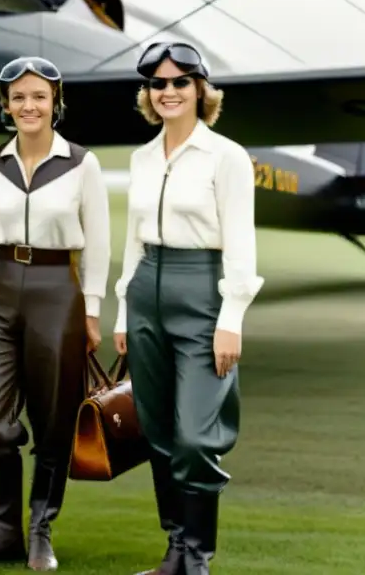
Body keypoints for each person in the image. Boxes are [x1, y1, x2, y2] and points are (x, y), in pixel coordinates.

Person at [0, 56, 112, 571]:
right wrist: (1, 276)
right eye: (18, 97)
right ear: (6, 105)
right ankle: (3, 532)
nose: (29, 105)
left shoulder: (82, 164)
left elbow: (100, 243)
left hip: (57, 290)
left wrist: (91, 308)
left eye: (39, 96)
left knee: (55, 419)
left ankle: (39, 529)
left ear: (55, 102)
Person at [112, 42, 262, 575]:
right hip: (146, 288)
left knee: (197, 435)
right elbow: (133, 238)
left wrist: (231, 320)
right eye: (158, 84)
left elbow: (241, 245)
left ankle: (197, 558)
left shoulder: (227, 156)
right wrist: (123, 313)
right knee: (158, 430)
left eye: (180, 82)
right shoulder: (142, 157)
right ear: (148, 95)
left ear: (201, 90)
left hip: (203, 291)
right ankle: (175, 550)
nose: (169, 91)